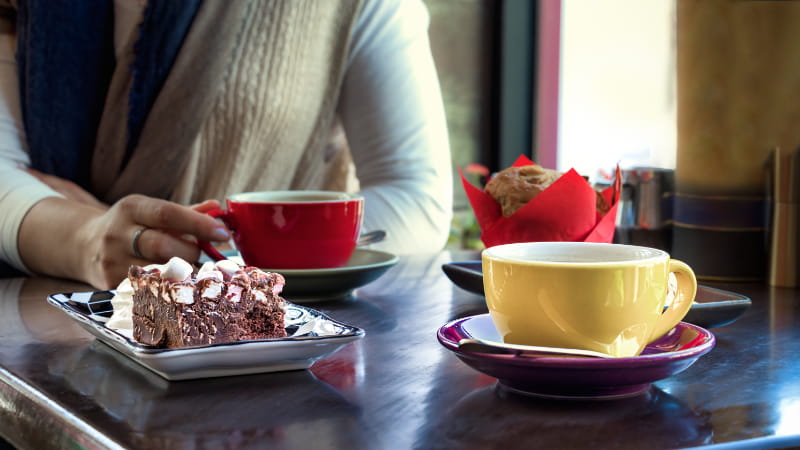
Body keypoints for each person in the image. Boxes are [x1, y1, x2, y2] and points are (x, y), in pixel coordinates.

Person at [0, 0, 453, 289]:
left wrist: (219, 255)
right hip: (59, 328)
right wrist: (92, 240)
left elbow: (415, 198)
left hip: (265, 341)